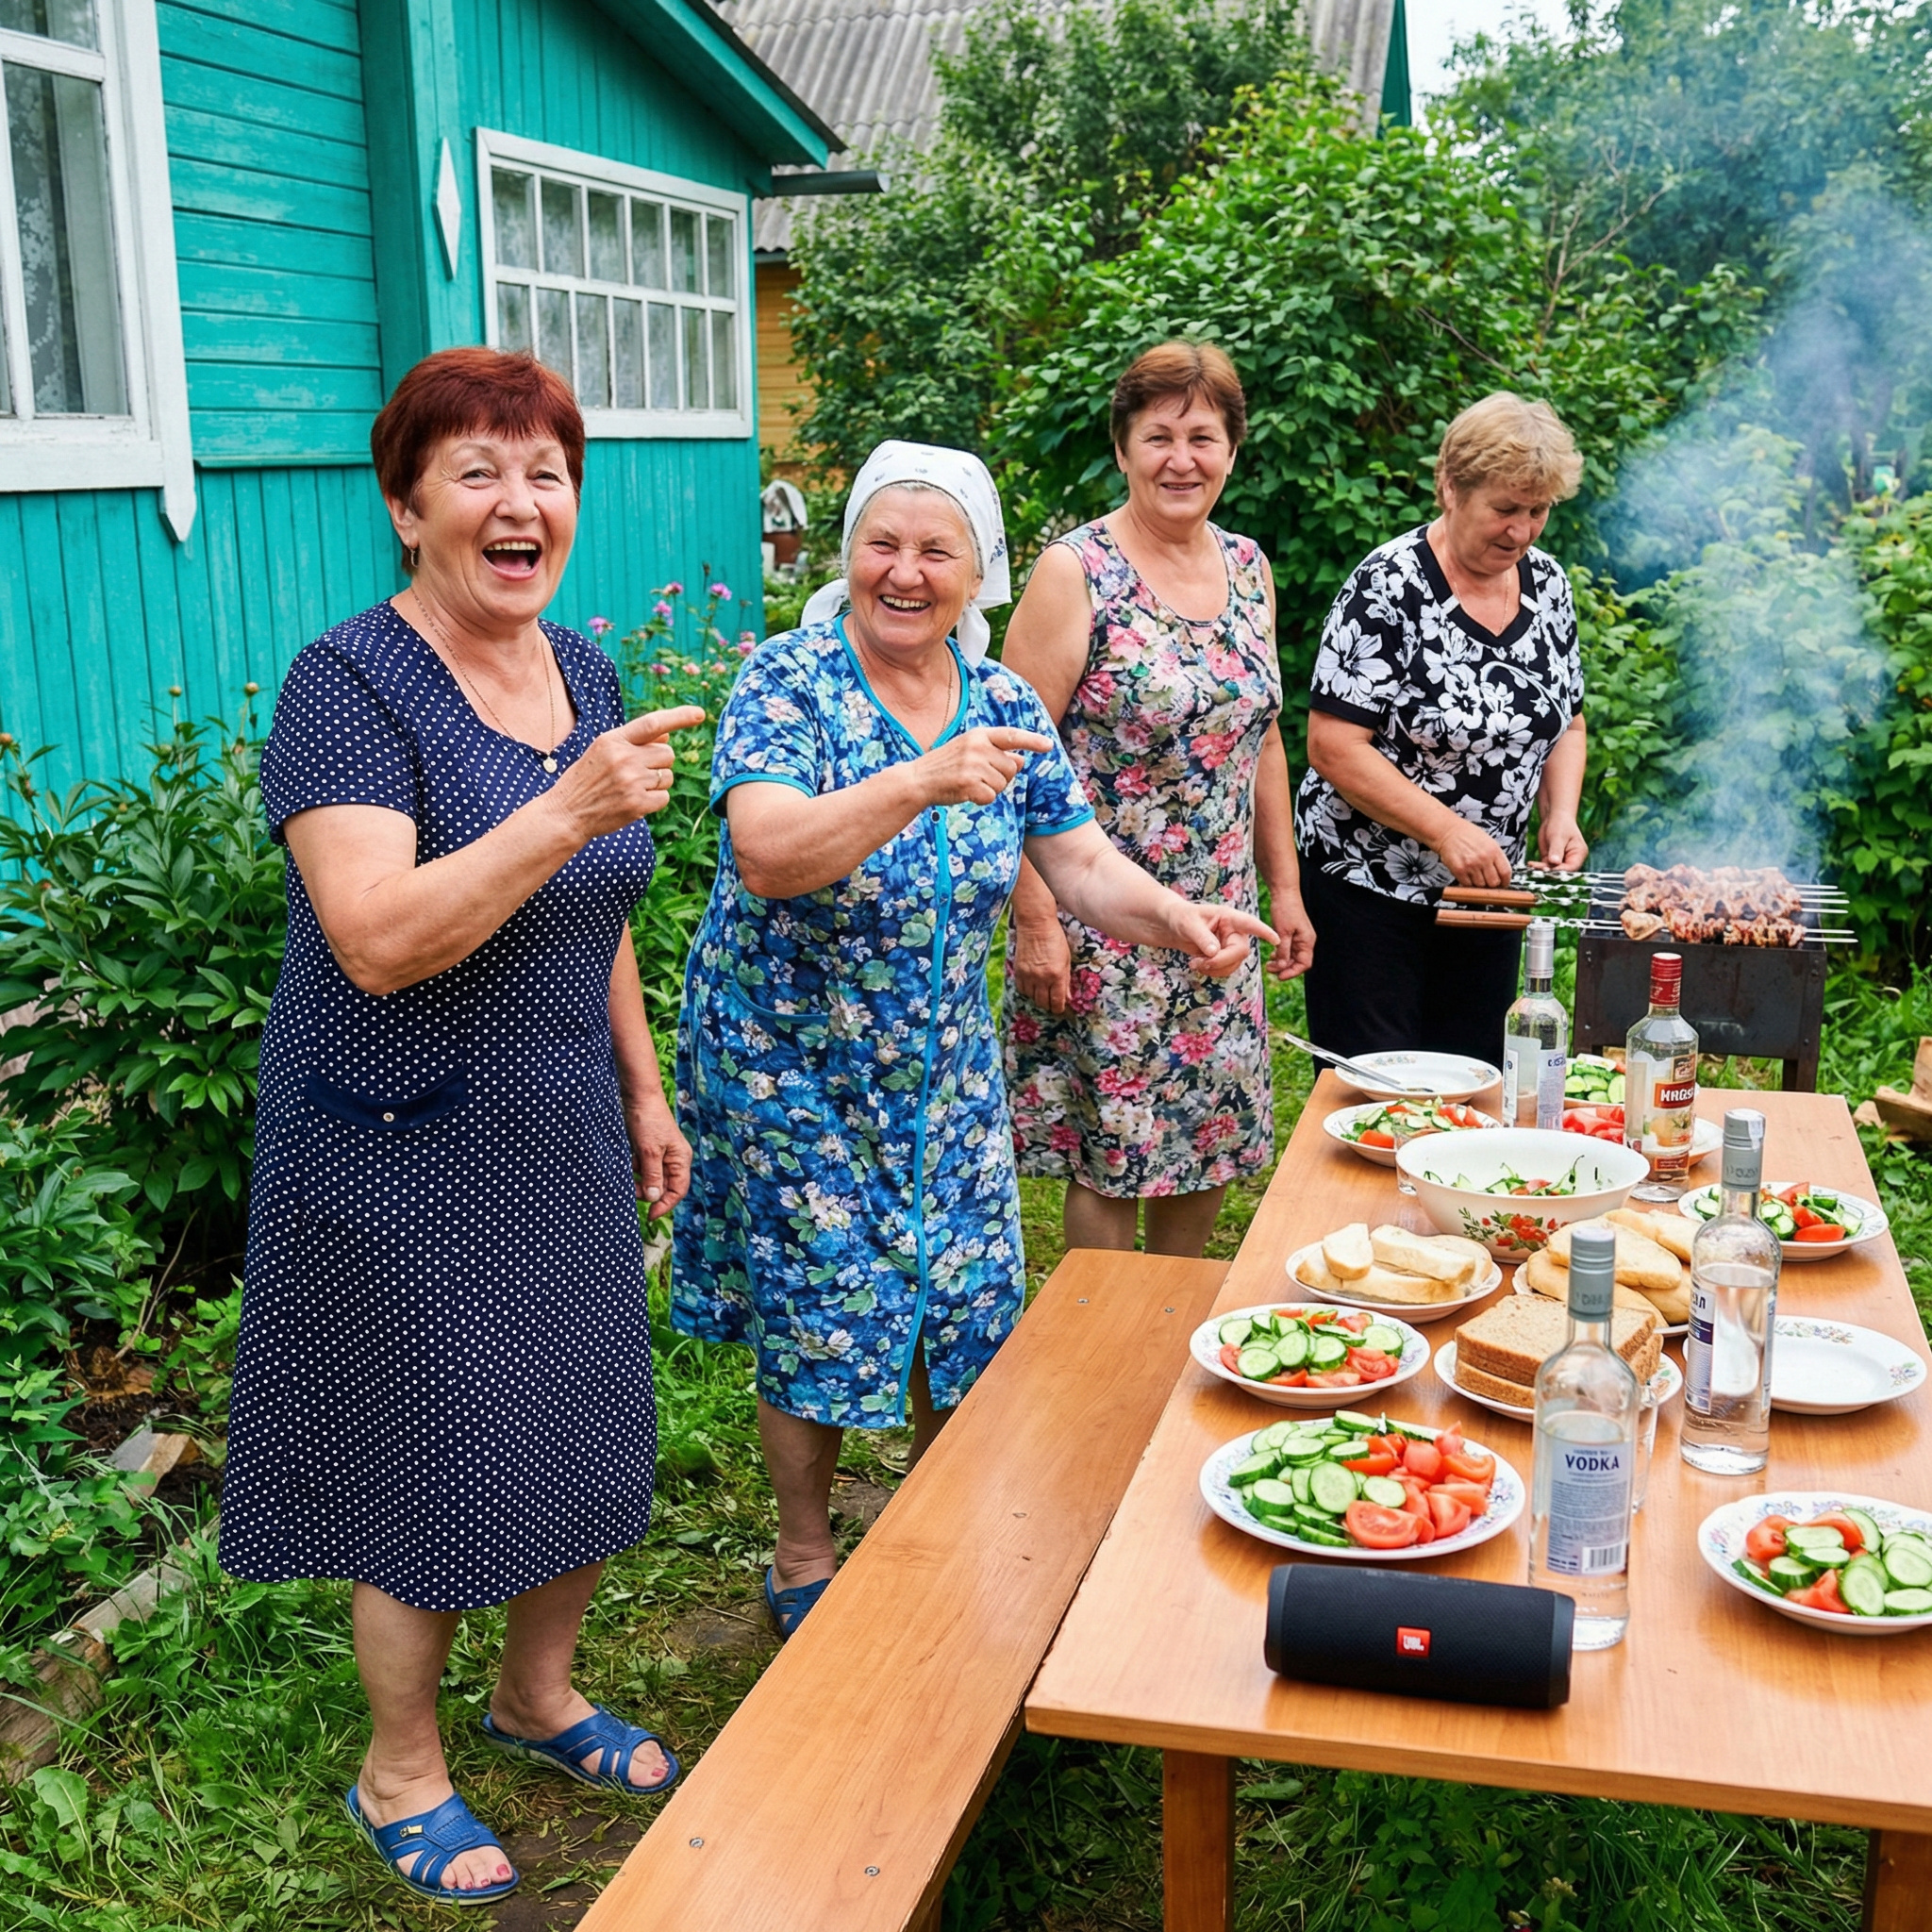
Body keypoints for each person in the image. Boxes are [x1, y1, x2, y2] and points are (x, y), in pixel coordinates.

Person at [219, 348, 704, 1905]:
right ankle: (399, 1767)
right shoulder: (346, 683)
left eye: (545, 469)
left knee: (578, 1409)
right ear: (406, 505)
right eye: (479, 470)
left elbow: (601, 906)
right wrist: (562, 802)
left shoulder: (588, 670)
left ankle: (536, 1692)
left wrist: (640, 1080)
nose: (520, 500)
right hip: (393, 1134)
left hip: (553, 1106)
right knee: (424, 1452)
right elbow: (374, 933)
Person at [672, 441, 1275, 1636]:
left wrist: (1174, 914)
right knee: (821, 1302)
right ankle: (803, 1551)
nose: (903, 572)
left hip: (941, 1065)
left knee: (967, 1299)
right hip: (792, 1060)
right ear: (845, 556)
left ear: (976, 570)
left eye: (932, 550)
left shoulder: (997, 699)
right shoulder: (787, 680)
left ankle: (934, 1519)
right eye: (879, 545)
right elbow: (766, 849)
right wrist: (917, 780)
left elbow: (1080, 858)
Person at [999, 341, 1316, 1260]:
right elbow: (1011, 755)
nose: (1181, 458)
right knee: (1111, 1152)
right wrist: (1032, 916)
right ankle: (1099, 1359)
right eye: (1158, 436)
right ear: (1122, 447)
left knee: (1207, 1138)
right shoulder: (1075, 571)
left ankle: (1169, 1338)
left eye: (1203, 437)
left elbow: (1261, 734)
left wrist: (1283, 888)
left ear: (1230, 450)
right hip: (1103, 913)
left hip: (1219, 913)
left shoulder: (1249, 565)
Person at [1294, 391, 1590, 1067]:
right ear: (1451, 488)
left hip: (1489, 892)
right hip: (1370, 888)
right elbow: (1334, 747)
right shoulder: (1386, 587)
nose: (1522, 531)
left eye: (1537, 510)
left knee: (1476, 1077)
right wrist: (1447, 831)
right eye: (1505, 509)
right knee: (1373, 1089)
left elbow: (1567, 719)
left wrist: (1561, 813)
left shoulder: (1547, 585)